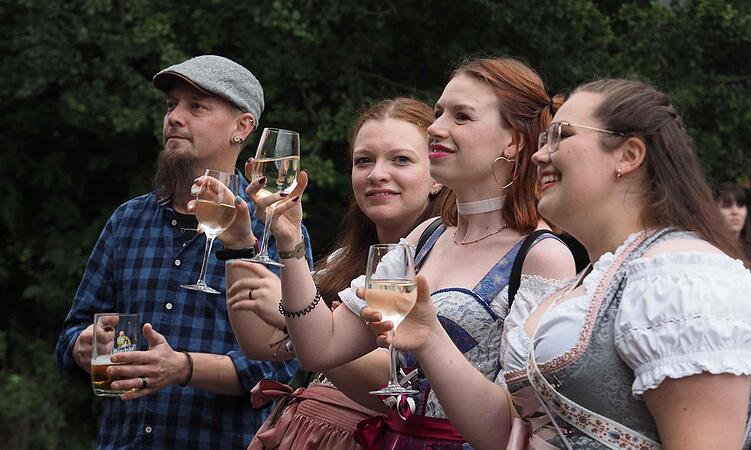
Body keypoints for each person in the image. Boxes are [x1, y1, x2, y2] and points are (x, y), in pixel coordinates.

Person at [368, 78, 751, 449]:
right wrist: (430, 339)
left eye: (561, 136)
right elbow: (507, 437)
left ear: (629, 155)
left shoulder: (682, 278)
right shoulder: (590, 280)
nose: (539, 155)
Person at [267, 57, 576, 448]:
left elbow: (517, 427)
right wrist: (290, 244)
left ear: (513, 140)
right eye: (438, 113)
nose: (436, 128)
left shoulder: (541, 255)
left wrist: (431, 339)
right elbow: (318, 347)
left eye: (461, 117)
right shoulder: (426, 236)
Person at [54, 55, 312, 449]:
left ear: (242, 128)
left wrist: (182, 368)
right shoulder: (128, 220)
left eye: (196, 107)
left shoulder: (276, 230)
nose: (174, 117)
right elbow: (72, 336)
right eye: (171, 105)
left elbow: (280, 364)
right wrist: (81, 346)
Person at [219, 97, 448, 449]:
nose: (377, 174)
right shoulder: (342, 260)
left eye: (400, 159)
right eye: (364, 161)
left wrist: (290, 322)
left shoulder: (439, 264)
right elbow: (260, 346)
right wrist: (239, 247)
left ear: (436, 178)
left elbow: (393, 382)